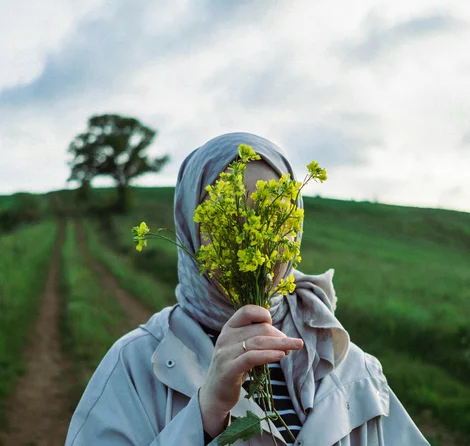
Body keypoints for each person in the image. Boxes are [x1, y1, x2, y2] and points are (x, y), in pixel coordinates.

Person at [65, 132, 430, 446]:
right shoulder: (131, 364)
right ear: (192, 233)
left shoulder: (351, 363)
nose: (250, 243)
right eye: (227, 222)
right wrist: (205, 416)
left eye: (273, 218)